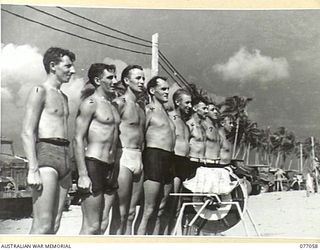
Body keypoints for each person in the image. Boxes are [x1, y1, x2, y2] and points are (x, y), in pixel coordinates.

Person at [21, 47, 76, 234]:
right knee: (42, 225)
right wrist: (32, 169)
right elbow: (27, 132)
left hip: (65, 156)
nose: (73, 70)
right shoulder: (39, 91)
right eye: (68, 66)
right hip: (46, 153)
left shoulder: (64, 97)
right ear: (53, 66)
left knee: (55, 225)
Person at [73, 63, 120, 234]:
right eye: (110, 77)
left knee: (102, 224)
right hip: (94, 164)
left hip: (111, 166)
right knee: (91, 226)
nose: (115, 81)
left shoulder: (113, 106)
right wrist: (83, 174)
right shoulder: (90, 103)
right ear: (98, 80)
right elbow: (77, 139)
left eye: (115, 77)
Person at [136, 76, 176, 235]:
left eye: (168, 88)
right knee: (148, 209)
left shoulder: (166, 113)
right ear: (152, 91)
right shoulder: (148, 110)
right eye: (163, 89)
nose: (167, 92)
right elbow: (139, 137)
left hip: (169, 159)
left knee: (160, 209)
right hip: (154, 157)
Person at [110, 65, 146, 235]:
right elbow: (108, 131)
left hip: (138, 158)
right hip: (123, 156)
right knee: (120, 213)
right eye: (138, 78)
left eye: (143, 78)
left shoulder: (140, 108)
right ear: (126, 81)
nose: (142, 82)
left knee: (131, 213)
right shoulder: (119, 103)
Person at [166, 88, 192, 234]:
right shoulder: (169, 117)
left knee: (180, 206)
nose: (190, 106)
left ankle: (174, 235)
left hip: (185, 163)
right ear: (177, 102)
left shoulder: (185, 122)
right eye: (187, 102)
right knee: (171, 204)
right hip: (174, 162)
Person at [186, 97, 208, 178]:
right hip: (191, 163)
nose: (206, 111)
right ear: (195, 108)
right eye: (204, 108)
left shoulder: (203, 127)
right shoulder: (189, 124)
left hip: (202, 164)